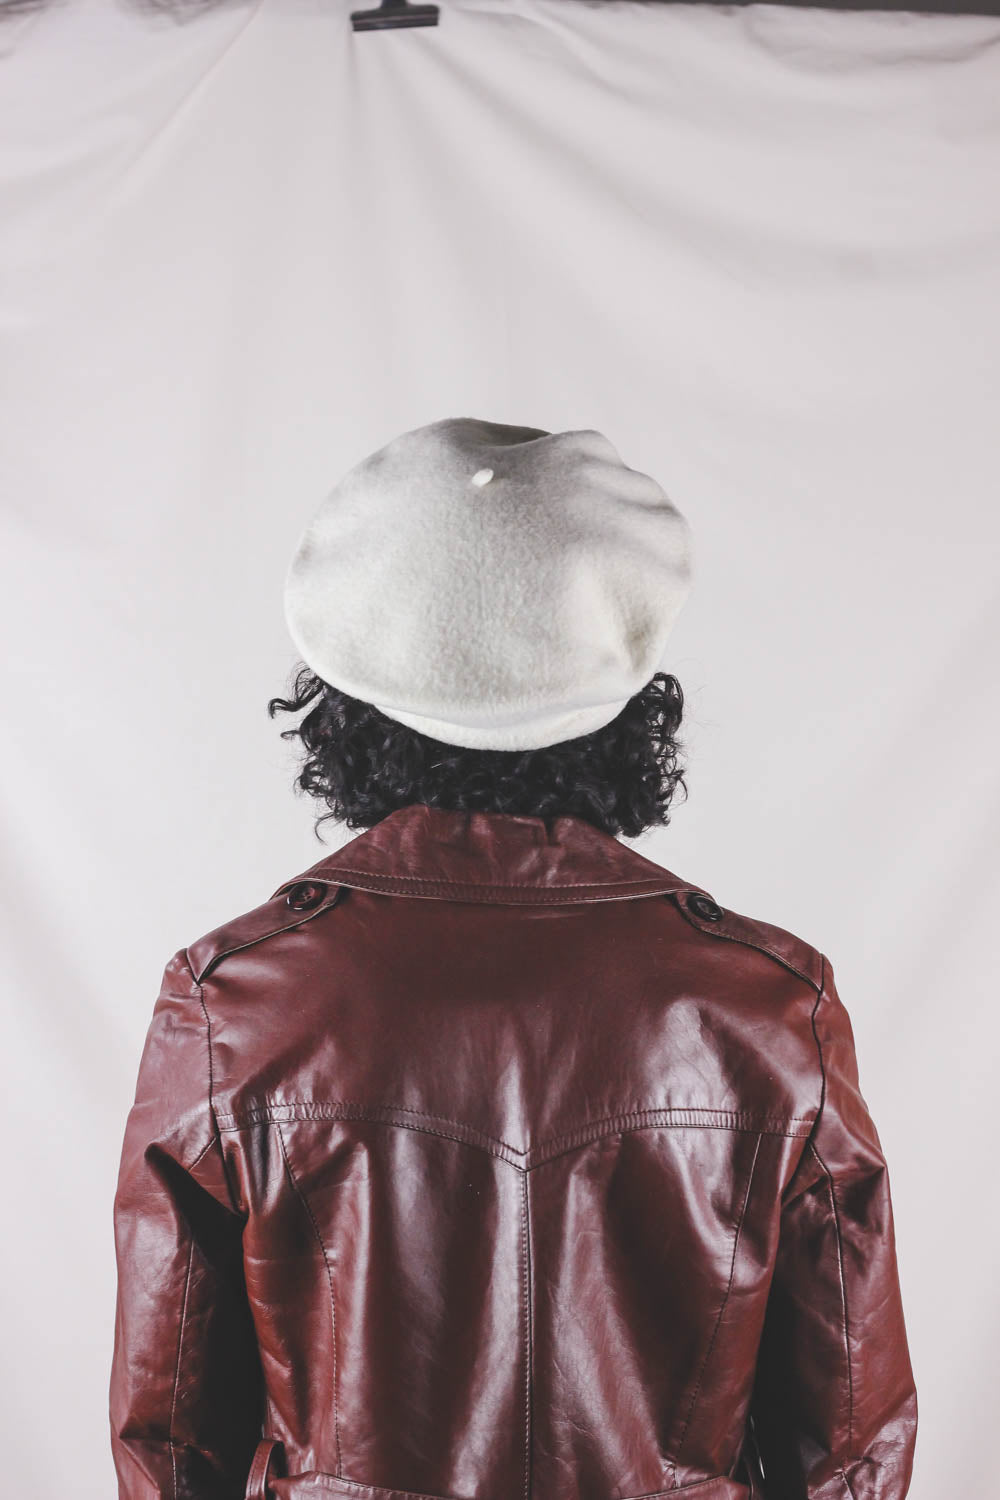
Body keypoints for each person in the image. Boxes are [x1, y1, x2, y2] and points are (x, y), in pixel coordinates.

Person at [109, 417, 917, 1500]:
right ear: (629, 705)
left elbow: (168, 1439)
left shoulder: (234, 1007)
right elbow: (852, 1448)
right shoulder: (769, 1008)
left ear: (347, 704)